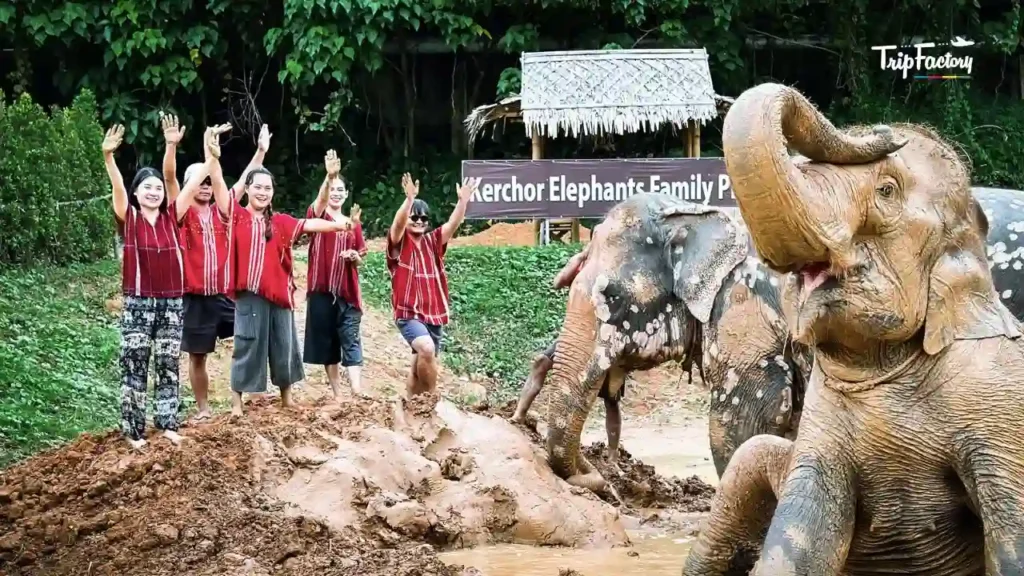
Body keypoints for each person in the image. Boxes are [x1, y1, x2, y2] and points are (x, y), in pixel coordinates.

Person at [104, 123, 221, 450]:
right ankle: (133, 430)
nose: (154, 191)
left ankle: (168, 424)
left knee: (169, 364)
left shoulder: (173, 216)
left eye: (158, 188)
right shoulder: (129, 217)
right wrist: (109, 156)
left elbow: (191, 182)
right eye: (147, 187)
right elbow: (117, 187)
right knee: (135, 363)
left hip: (171, 303)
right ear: (137, 192)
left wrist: (206, 155)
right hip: (138, 303)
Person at [161, 115, 272, 420]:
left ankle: (255, 395)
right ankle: (204, 410)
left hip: (225, 294)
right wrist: (172, 147)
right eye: (201, 181)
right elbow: (169, 178)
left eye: (210, 181)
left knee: (250, 335)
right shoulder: (180, 212)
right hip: (195, 296)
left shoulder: (223, 212)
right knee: (198, 357)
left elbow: (241, 183)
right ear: (189, 185)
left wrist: (260, 152)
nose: (207, 186)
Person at [227, 159, 355, 416]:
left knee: (284, 345)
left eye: (267, 188)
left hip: (280, 295)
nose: (262, 192)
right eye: (257, 187)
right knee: (247, 345)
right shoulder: (236, 216)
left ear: (273, 192)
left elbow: (309, 224)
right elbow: (226, 189)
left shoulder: (282, 222)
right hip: (249, 294)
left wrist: (338, 225)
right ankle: (236, 404)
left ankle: (286, 398)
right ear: (248, 189)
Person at [386, 173, 481, 398]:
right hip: (409, 313)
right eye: (414, 218)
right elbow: (398, 224)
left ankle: (409, 404)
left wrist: (463, 202)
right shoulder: (399, 244)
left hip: (434, 313)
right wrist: (408, 200)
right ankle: (431, 399)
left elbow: (452, 224)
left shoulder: (432, 242)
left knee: (419, 362)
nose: (419, 221)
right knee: (426, 349)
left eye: (423, 219)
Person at [302, 149, 369, 399]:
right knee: (329, 344)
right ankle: (338, 394)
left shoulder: (354, 222)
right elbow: (317, 204)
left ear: (347, 194)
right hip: (321, 290)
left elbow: (361, 256)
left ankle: (357, 391)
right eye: (333, 190)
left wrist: (355, 257)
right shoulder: (318, 217)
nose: (336, 193)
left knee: (351, 340)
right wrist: (329, 178)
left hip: (348, 292)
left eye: (341, 190)